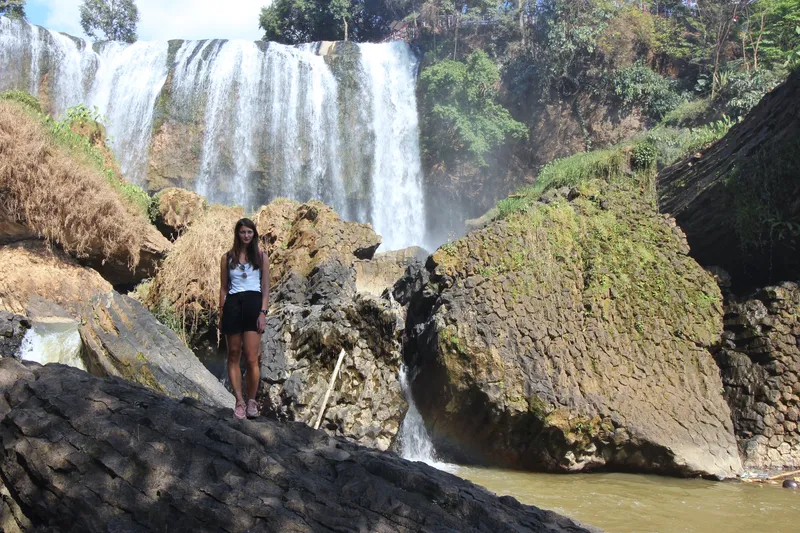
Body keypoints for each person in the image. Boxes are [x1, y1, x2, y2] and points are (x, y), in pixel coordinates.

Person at [218, 218, 270, 420]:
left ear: (254, 234)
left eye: (250, 232)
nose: (246, 236)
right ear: (237, 234)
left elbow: (265, 288)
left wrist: (263, 313)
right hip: (232, 304)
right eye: (243, 232)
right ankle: (238, 401)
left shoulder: (262, 257)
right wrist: (221, 314)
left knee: (251, 358)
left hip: (253, 303)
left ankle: (251, 401)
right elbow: (223, 288)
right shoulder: (227, 257)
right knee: (233, 353)